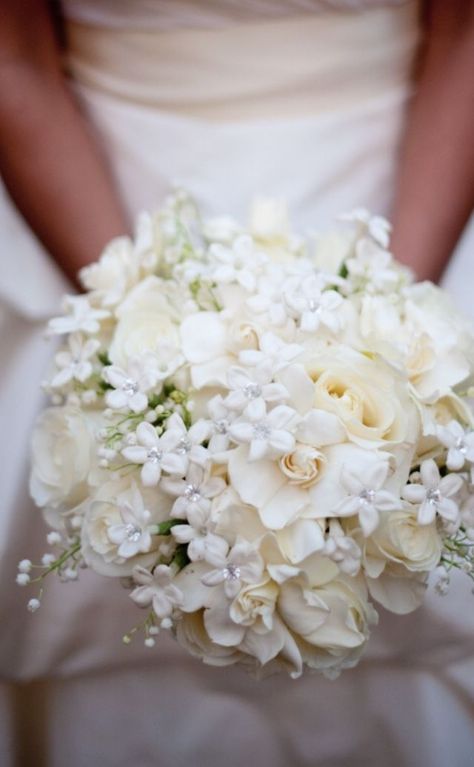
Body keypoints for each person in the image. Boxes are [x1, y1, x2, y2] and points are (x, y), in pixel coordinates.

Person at [0, 2, 473, 766]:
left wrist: (389, 331)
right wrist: (141, 355)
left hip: (409, 212)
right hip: (102, 213)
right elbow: (11, 57)